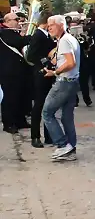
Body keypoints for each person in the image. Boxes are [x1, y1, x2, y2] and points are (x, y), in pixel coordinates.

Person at [42, 15, 81, 161]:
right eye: (48, 24)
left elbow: (70, 63)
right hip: (72, 81)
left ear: (61, 25)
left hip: (64, 82)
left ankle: (63, 145)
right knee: (67, 118)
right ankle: (70, 149)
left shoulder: (64, 40)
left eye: (52, 24)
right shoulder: (68, 39)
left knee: (47, 113)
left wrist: (55, 72)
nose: (49, 27)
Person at [25, 14, 57, 148]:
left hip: (48, 74)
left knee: (47, 105)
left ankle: (49, 136)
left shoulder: (45, 35)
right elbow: (30, 55)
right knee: (38, 106)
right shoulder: (38, 35)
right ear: (47, 23)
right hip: (40, 74)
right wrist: (44, 63)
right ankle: (35, 137)